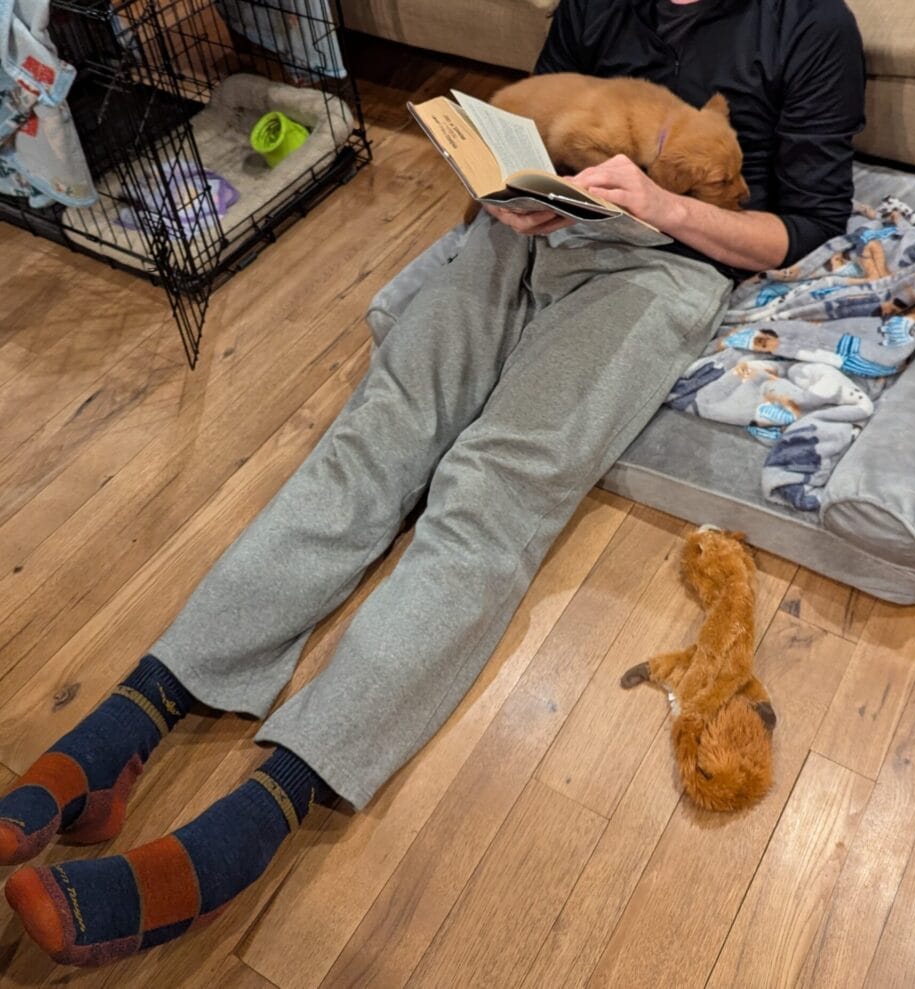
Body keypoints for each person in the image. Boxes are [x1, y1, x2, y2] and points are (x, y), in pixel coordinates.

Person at [1, 0, 865, 966]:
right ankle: (139, 712)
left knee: (492, 491)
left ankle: (262, 812)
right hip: (530, 232)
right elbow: (518, 124)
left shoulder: (809, 28)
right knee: (375, 436)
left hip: (665, 269)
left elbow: (808, 227)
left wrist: (659, 206)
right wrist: (504, 187)